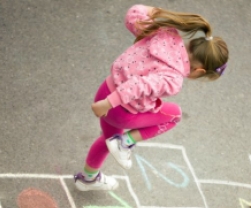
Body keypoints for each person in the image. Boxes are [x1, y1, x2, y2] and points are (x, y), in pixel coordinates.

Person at [74, 5, 229, 191]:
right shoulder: (173, 79)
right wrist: (109, 104)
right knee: (175, 115)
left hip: (105, 90)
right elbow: (139, 85)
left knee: (109, 141)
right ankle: (125, 143)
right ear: (200, 71)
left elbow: (133, 16)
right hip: (119, 109)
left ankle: (88, 179)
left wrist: (153, 11)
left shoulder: (165, 34)